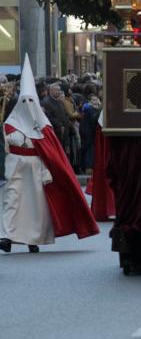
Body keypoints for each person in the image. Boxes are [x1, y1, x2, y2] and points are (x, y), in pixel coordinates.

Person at [1, 55, 98, 253]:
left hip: (37, 167)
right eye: (24, 100)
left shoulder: (43, 125)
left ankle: (32, 239)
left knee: (36, 206)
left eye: (31, 100)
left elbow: (50, 149)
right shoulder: (11, 122)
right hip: (17, 166)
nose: (28, 104)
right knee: (12, 200)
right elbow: (12, 140)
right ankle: (7, 235)